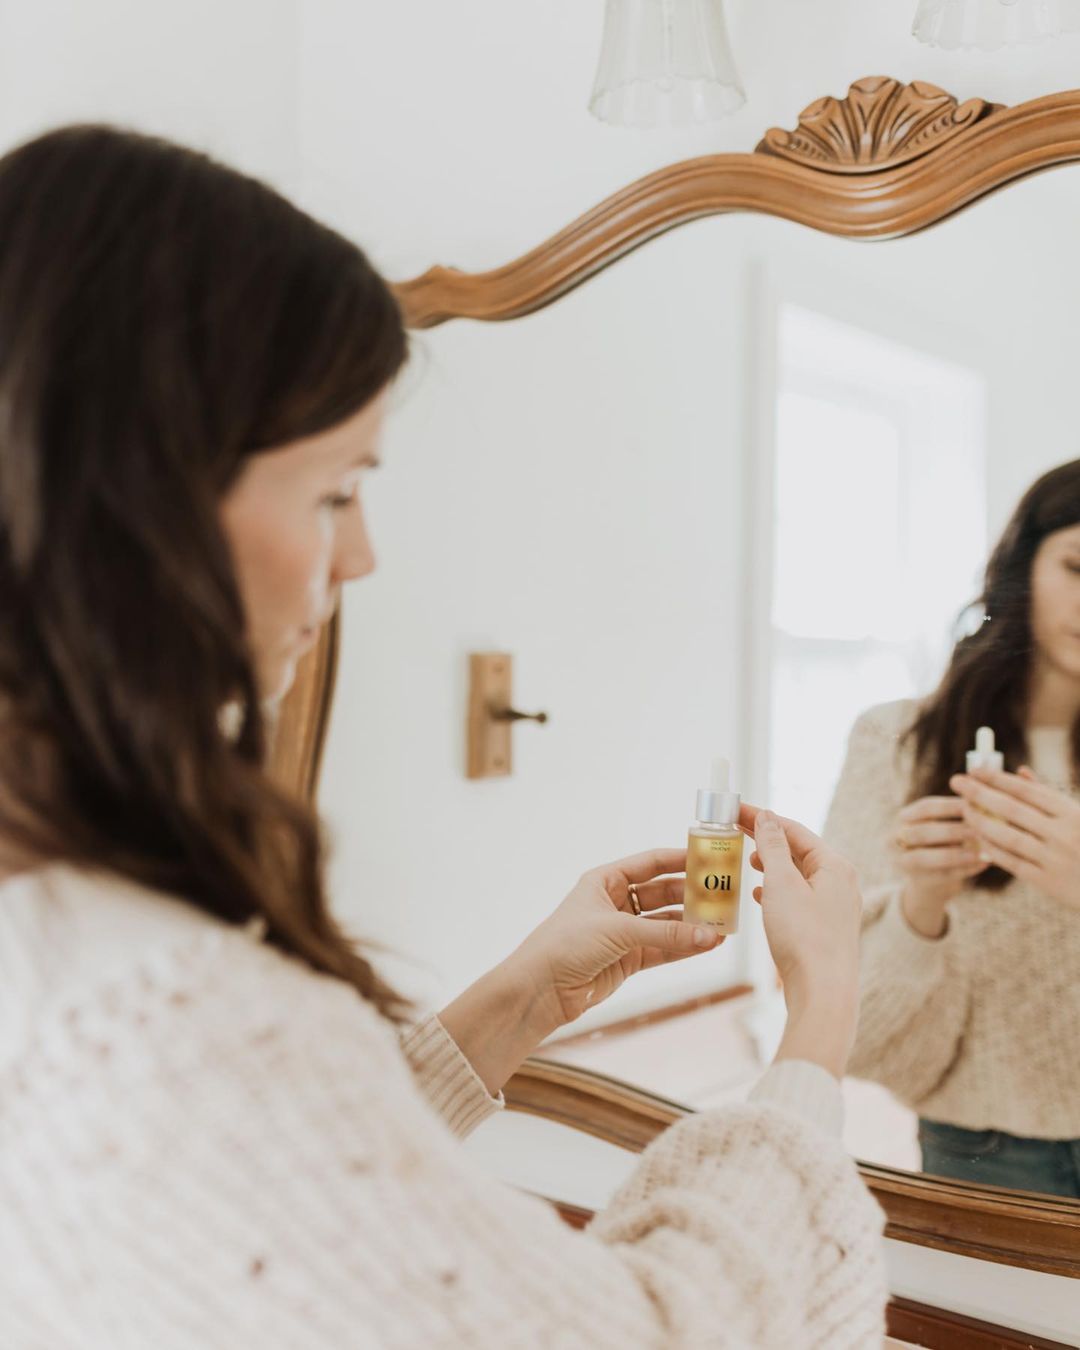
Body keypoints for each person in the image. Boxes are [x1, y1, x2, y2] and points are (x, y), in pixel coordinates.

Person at [0, 125, 885, 1348]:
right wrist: (820, 1021)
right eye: (337, 490)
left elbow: (277, 1209)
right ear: (142, 494)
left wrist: (527, 993)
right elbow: (664, 1333)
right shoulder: (164, 1011)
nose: (360, 556)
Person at [825, 461, 1080, 1198]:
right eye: (1077, 565)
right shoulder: (895, 744)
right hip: (986, 1148)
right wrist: (920, 906)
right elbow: (859, 1035)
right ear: (1022, 564)